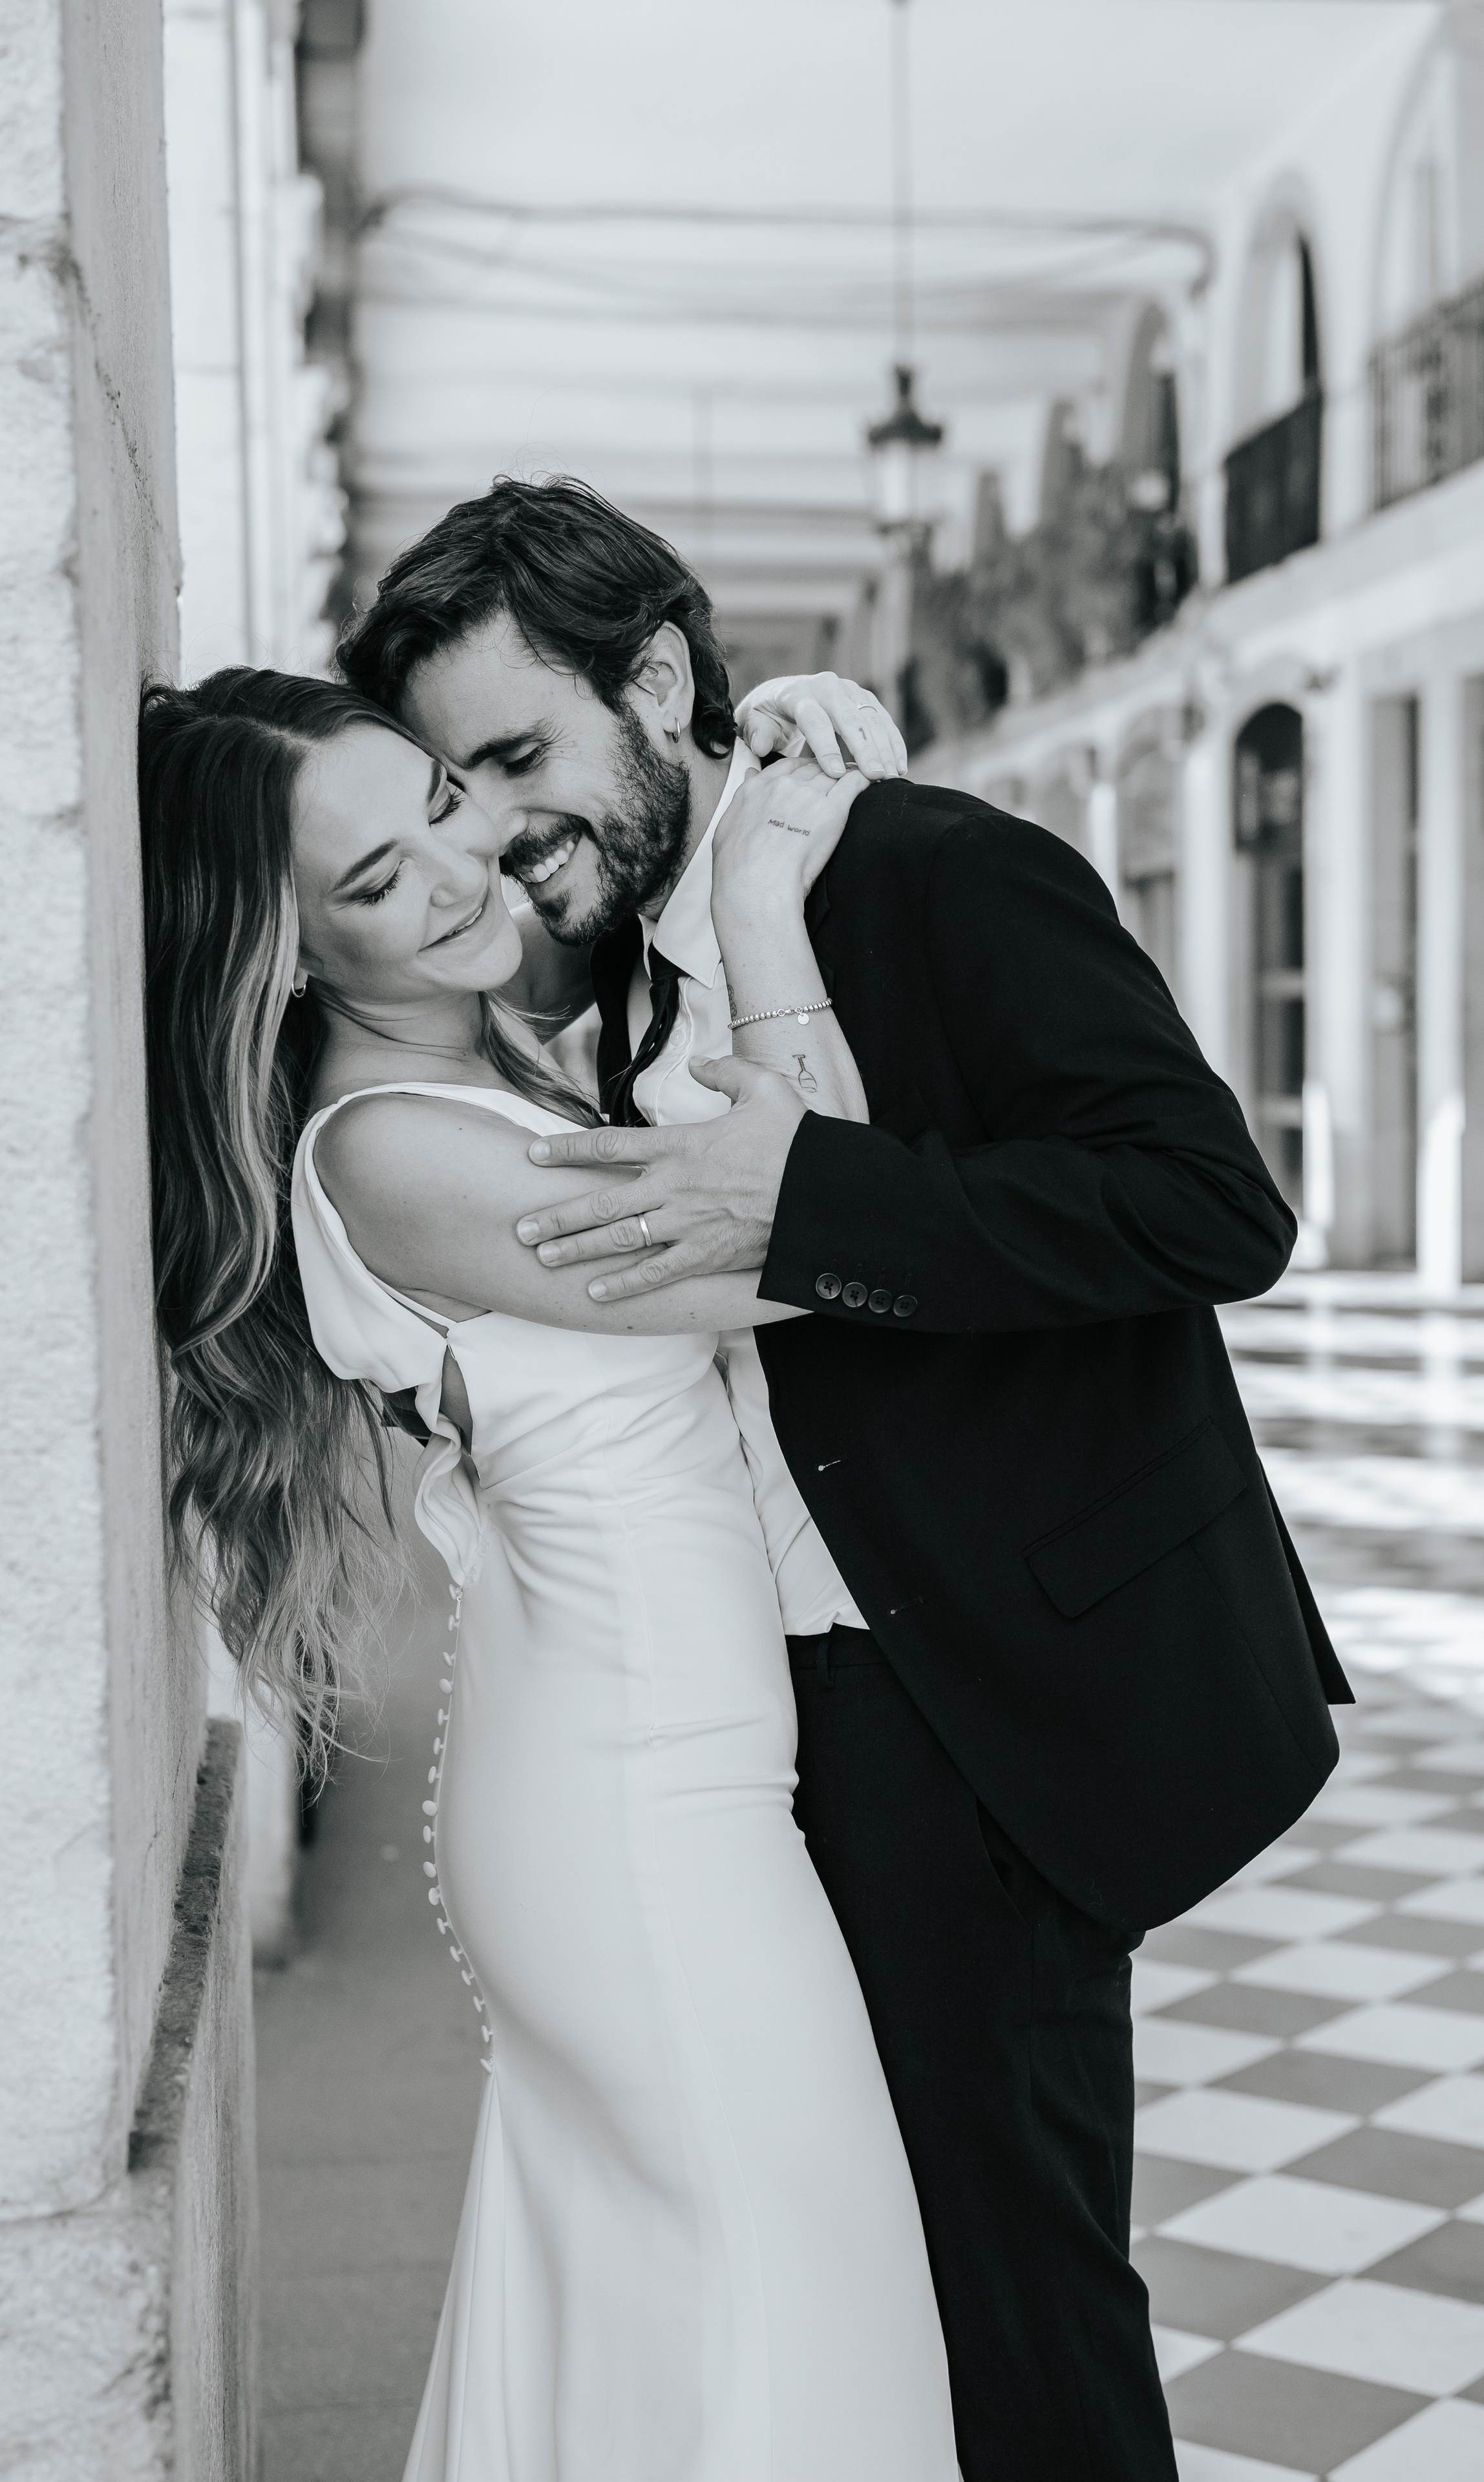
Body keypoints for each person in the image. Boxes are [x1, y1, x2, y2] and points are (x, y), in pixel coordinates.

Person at [339, 475, 1355, 2482]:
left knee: (1014, 2289)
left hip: (977, 1690)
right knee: (869, 2294)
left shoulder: (935, 873)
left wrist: (814, 1196)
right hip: (765, 1721)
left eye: (522, 755)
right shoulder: (595, 949)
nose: (498, 826)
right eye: (459, 786)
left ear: (655, 680)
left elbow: (1209, 1203)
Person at [138, 665, 959, 2482]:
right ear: (283, 954)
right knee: (788, 2315)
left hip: (661, 1783)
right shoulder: (402, 1153)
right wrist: (758, 903)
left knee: (695, 2327)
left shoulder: (478, 1091)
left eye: (435, 799)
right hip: (635, 1817)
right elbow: (831, 1227)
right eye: (371, 878)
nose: (454, 863)